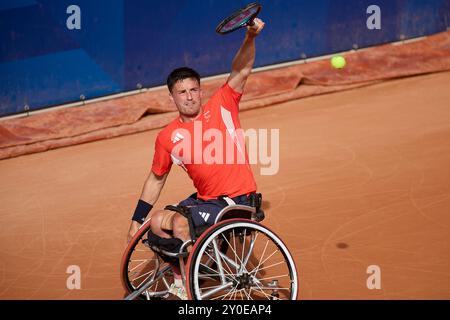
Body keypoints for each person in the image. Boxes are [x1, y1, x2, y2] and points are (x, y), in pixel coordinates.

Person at [126, 18, 265, 299]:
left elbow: (242, 69)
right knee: (156, 222)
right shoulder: (168, 136)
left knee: (179, 224)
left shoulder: (222, 105)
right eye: (182, 92)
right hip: (207, 201)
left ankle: (190, 290)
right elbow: (156, 178)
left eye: (193, 90)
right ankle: (181, 277)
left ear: (200, 91)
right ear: (172, 98)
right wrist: (135, 219)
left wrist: (250, 37)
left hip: (236, 199)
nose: (189, 97)